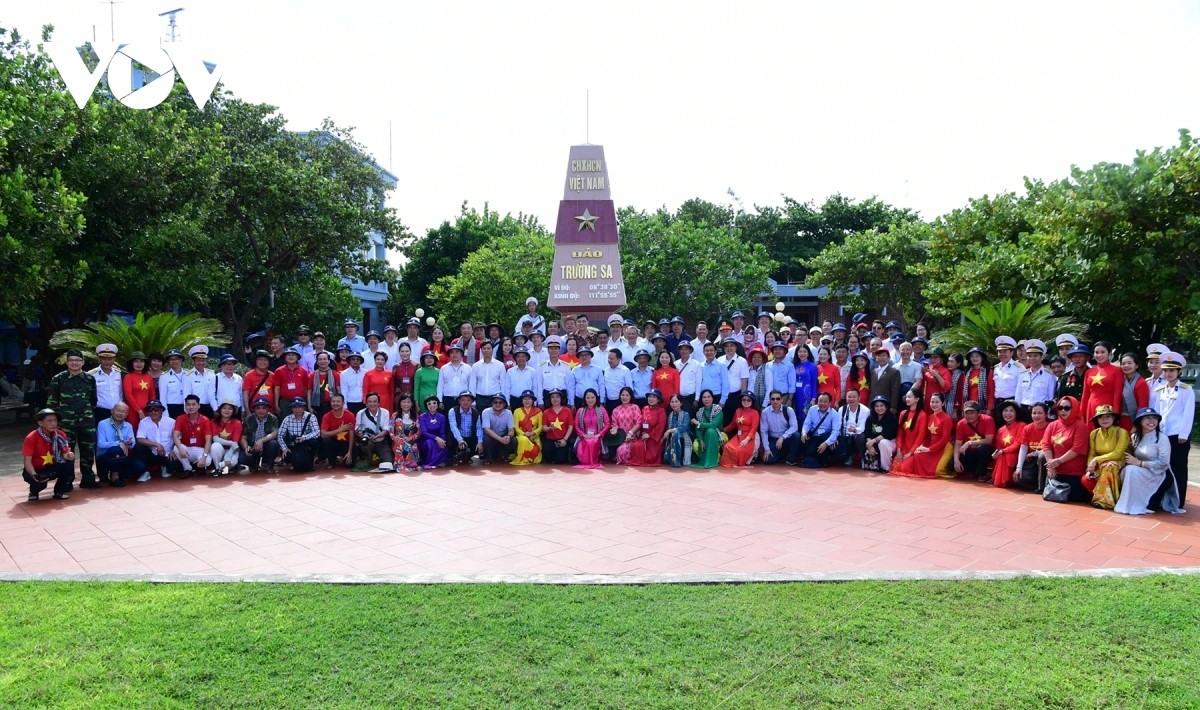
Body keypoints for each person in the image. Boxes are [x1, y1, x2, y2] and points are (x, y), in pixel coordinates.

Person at [1116, 407, 1184, 515]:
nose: (1152, 421)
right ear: (1140, 421)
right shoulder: (1135, 437)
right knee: (1127, 470)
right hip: (1143, 471)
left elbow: (1164, 463)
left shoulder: (1162, 439)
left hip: (1160, 473)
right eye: (1147, 418)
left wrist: (1140, 463)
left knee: (1131, 470)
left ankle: (1141, 502)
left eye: (1154, 418)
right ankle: (1128, 501)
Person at [47, 348, 99, 488]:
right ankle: (67, 480)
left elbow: (93, 401)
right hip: (66, 423)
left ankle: (88, 479)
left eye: (77, 360)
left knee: (88, 451)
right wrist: (53, 422)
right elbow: (52, 402)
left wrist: (85, 412)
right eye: (71, 360)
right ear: (67, 362)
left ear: (83, 362)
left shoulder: (89, 379)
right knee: (66, 451)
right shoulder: (58, 379)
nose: (74, 363)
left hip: (86, 421)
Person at [1151, 351, 1194, 509]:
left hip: (1178, 436)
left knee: (1179, 469)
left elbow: (1188, 413)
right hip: (1163, 435)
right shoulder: (1160, 390)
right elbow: (1156, 413)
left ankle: (1178, 502)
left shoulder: (1185, 390)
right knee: (1162, 468)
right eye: (1166, 370)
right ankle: (1161, 500)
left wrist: (1184, 434)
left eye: (1172, 370)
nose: (1168, 374)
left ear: (1179, 371)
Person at [1042, 396, 1091, 502]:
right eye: (1060, 408)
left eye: (1067, 408)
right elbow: (1046, 445)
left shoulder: (1081, 426)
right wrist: (1051, 466)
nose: (1063, 410)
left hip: (1073, 473)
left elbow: (1077, 448)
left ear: (1074, 408)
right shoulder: (1052, 425)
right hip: (1055, 471)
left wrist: (1059, 461)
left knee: (1072, 497)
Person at [22, 408, 76, 501]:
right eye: (49, 421)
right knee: (40, 483)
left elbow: (65, 454)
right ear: (40, 423)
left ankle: (59, 491)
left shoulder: (60, 435)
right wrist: (34, 475)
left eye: (55, 420)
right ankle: (33, 491)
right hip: (36, 469)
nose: (53, 423)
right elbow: (27, 461)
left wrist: (69, 456)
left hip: (52, 466)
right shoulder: (31, 437)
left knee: (67, 465)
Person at [1084, 403, 1129, 509]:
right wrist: (1090, 468)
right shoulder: (1094, 434)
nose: (1104, 419)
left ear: (1113, 418)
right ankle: (1103, 498)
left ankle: (1105, 502)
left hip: (1118, 464)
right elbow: (1091, 453)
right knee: (1085, 479)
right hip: (1100, 465)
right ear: (1097, 420)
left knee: (1109, 467)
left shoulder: (1122, 432)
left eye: (1108, 416)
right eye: (1101, 417)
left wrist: (1097, 459)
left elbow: (1117, 453)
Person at [95, 402, 145, 487]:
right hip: (105, 456)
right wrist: (119, 443)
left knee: (140, 467)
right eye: (118, 410)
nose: (120, 413)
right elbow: (101, 444)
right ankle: (114, 477)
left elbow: (132, 444)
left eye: (123, 411)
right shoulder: (103, 424)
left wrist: (128, 443)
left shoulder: (128, 426)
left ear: (126, 414)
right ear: (112, 411)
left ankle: (121, 474)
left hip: (121, 456)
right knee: (115, 449)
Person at [1080, 340, 1122, 430]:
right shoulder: (1089, 371)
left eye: (1103, 352)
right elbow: (1085, 395)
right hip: (1091, 408)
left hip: (1108, 408)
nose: (1099, 355)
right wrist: (1081, 414)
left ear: (1109, 353)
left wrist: (1116, 413)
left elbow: (1117, 394)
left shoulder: (1117, 370)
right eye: (1096, 352)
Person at [135, 400, 181, 478]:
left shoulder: (171, 422)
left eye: (156, 410)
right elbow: (140, 439)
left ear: (161, 411)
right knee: (139, 447)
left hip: (168, 454)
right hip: (152, 454)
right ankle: (145, 472)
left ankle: (165, 466)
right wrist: (157, 445)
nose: (153, 412)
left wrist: (174, 449)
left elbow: (179, 438)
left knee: (177, 466)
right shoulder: (143, 422)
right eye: (150, 410)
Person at [953, 399, 996, 481]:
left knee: (982, 449)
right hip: (970, 452)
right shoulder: (961, 424)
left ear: (979, 413)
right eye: (967, 413)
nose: (969, 416)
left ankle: (982, 474)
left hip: (987, 451)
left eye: (972, 413)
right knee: (951, 464)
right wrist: (956, 460)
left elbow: (988, 440)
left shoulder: (988, 420)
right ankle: (972, 471)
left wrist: (969, 443)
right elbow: (958, 443)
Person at [889, 390, 929, 477]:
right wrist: (899, 451)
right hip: (903, 448)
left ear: (917, 399)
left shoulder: (922, 415)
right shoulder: (903, 414)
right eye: (906, 397)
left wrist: (910, 453)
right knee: (896, 466)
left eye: (909, 397)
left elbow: (920, 436)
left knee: (905, 468)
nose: (907, 399)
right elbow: (900, 434)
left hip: (914, 449)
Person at [798, 392, 842, 468]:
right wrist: (804, 432)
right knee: (809, 456)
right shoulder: (812, 409)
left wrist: (826, 443)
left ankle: (827, 458)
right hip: (815, 437)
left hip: (826, 438)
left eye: (825, 402)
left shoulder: (834, 414)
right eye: (820, 401)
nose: (822, 404)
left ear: (830, 403)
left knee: (828, 438)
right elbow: (807, 424)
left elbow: (835, 431)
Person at [173, 395, 213, 477]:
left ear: (199, 406)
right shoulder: (180, 418)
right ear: (185, 406)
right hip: (187, 449)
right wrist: (180, 449)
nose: (191, 407)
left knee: (207, 461)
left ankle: (200, 467)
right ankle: (187, 469)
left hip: (201, 449)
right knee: (176, 448)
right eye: (188, 404)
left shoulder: (205, 420)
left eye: (193, 404)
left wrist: (204, 456)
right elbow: (175, 435)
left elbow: (208, 440)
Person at [1015, 402, 1051, 491]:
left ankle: (1042, 487)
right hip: (1032, 461)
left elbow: (1052, 449)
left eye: (1040, 413)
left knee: (1042, 456)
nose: (1036, 416)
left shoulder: (1051, 427)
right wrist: (1019, 468)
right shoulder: (1027, 428)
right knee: (1020, 477)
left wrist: (1035, 453)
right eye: (1034, 413)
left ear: (1046, 414)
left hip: (1046, 460)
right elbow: (1023, 448)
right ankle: (1040, 485)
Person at [989, 401, 1026, 488]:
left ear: (1016, 413)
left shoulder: (1021, 425)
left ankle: (1003, 479)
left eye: (1011, 411)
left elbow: (1017, 445)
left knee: (1004, 455)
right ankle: (999, 478)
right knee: (1000, 456)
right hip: (1003, 455)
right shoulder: (1000, 430)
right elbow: (998, 448)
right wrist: (997, 453)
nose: (1008, 413)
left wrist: (1003, 451)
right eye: (1005, 410)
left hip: (1018, 456)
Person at [354, 392, 394, 472]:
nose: (372, 404)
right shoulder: (361, 413)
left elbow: (386, 429)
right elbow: (357, 429)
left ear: (378, 403)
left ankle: (379, 457)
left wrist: (377, 436)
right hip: (367, 441)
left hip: (381, 441)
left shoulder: (385, 412)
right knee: (365, 444)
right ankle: (367, 459)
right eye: (370, 402)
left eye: (375, 401)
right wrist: (364, 436)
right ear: (366, 403)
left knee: (388, 461)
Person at [239, 398, 281, 473]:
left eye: (264, 408)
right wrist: (246, 447)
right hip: (252, 446)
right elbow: (243, 437)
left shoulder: (273, 418)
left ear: (268, 409)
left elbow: (275, 433)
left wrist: (261, 441)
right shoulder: (248, 419)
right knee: (241, 458)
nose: (261, 410)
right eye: (258, 408)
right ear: (254, 409)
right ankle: (253, 464)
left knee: (273, 444)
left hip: (266, 445)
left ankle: (268, 464)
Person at [719, 392, 761, 468]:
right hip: (739, 436)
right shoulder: (738, 410)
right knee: (727, 447)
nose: (746, 402)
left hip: (750, 437)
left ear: (752, 402)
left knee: (740, 451)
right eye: (744, 400)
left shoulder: (755, 413)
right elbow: (733, 424)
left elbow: (754, 428)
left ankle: (740, 463)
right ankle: (731, 463)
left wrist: (746, 440)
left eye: (748, 400)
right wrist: (723, 430)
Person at [759, 390, 799, 465]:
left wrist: (782, 437)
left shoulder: (789, 410)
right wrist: (767, 449)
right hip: (773, 439)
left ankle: (790, 459)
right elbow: (764, 432)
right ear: (769, 400)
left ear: (782, 400)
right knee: (768, 460)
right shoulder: (765, 412)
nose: (775, 401)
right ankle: (781, 455)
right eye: (773, 399)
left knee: (796, 435)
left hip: (786, 439)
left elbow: (794, 427)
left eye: (778, 398)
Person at [573, 389, 608, 469]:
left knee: (593, 442)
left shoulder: (601, 409)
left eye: (592, 397)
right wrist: (583, 435)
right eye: (588, 398)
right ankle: (585, 461)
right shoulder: (580, 410)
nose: (590, 400)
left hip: (597, 436)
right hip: (584, 436)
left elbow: (607, 424)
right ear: (585, 399)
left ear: (596, 398)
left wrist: (599, 434)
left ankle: (593, 460)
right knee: (587, 442)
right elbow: (576, 426)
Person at [689, 389, 724, 469]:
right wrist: (700, 440)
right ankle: (705, 460)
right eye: (704, 397)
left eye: (708, 397)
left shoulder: (718, 409)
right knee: (695, 445)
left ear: (712, 398)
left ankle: (714, 459)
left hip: (718, 435)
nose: (706, 399)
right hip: (703, 435)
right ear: (701, 399)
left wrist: (699, 423)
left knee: (710, 431)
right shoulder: (700, 412)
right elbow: (698, 428)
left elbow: (713, 425)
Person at [320, 393, 356, 469]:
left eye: (338, 401)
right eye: (333, 401)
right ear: (330, 402)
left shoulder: (350, 415)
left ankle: (351, 455)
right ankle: (332, 461)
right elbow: (323, 434)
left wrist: (349, 452)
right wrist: (340, 430)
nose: (335, 403)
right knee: (326, 440)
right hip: (333, 442)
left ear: (343, 403)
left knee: (350, 465)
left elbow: (351, 433)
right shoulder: (326, 416)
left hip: (346, 443)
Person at [862, 395, 897, 473]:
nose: (879, 408)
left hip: (890, 442)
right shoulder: (870, 418)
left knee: (883, 443)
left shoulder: (891, 418)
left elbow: (887, 434)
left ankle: (886, 468)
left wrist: (872, 441)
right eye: (877, 406)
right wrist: (870, 446)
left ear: (886, 406)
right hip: (874, 443)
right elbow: (867, 433)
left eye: (882, 406)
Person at [991, 336, 1022, 421]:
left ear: (1011, 353)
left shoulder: (1018, 367)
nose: (1002, 354)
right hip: (998, 403)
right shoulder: (996, 368)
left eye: (1005, 351)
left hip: (1012, 403)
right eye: (1000, 351)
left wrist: (1018, 404)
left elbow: (1022, 388)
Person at [90, 342, 123, 423]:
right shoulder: (92, 375)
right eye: (104, 359)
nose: (107, 362)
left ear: (114, 359)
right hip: (100, 412)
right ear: (99, 359)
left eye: (110, 359)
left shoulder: (119, 373)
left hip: (118, 411)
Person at [208, 401, 244, 476]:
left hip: (232, 450)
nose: (226, 410)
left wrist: (228, 457)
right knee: (215, 446)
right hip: (220, 449)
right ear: (220, 410)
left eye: (230, 409)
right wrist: (230, 443)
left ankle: (231, 467)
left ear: (233, 411)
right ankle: (218, 469)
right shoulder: (214, 422)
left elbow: (235, 444)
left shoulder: (237, 423)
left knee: (232, 462)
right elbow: (215, 439)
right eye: (224, 408)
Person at [1117, 352, 1150, 432]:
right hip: (1120, 420)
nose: (1126, 366)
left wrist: (1136, 425)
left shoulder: (1141, 383)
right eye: (1123, 364)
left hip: (1133, 420)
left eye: (1129, 363)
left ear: (1136, 365)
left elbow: (1143, 406)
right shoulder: (1120, 380)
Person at [837, 388, 869, 467]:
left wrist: (855, 430)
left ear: (859, 398)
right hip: (845, 436)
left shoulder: (865, 410)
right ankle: (848, 456)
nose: (851, 399)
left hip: (857, 436)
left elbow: (863, 428)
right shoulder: (842, 409)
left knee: (861, 436)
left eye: (854, 397)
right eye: (849, 397)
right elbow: (838, 425)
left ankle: (862, 457)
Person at [122, 351, 155, 429]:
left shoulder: (148, 376)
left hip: (147, 410)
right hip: (133, 411)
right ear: (131, 363)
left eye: (141, 361)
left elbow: (152, 394)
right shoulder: (128, 377)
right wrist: (139, 411)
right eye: (136, 361)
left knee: (148, 431)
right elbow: (128, 395)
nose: (139, 364)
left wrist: (151, 408)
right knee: (134, 430)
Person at [446, 391, 481, 465]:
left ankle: (467, 456)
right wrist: (460, 440)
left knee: (479, 444)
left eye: (468, 400)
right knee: (450, 436)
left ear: (472, 401)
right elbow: (453, 426)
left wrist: (480, 442)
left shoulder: (476, 412)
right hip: (457, 437)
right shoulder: (453, 411)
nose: (466, 402)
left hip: (470, 437)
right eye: (463, 400)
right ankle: (454, 456)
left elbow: (479, 428)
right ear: (459, 401)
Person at [610, 387, 643, 464]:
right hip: (620, 438)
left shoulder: (635, 407)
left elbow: (638, 423)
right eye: (623, 395)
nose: (624, 397)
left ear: (631, 396)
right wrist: (614, 430)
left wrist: (631, 433)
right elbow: (614, 424)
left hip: (632, 437)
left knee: (622, 451)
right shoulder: (616, 410)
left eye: (627, 395)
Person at [389, 394, 421, 472]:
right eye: (404, 402)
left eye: (408, 402)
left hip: (411, 441)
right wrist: (394, 437)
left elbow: (419, 431)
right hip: (398, 441)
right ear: (400, 403)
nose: (406, 404)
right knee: (400, 443)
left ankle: (411, 464)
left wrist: (411, 438)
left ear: (412, 404)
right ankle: (400, 465)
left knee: (412, 447)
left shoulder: (416, 416)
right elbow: (390, 430)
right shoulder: (395, 415)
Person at [541, 389, 574, 465]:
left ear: (561, 398)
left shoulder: (568, 411)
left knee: (560, 460)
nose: (555, 399)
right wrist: (549, 428)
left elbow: (570, 426)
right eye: (552, 397)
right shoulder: (546, 412)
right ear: (550, 399)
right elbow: (544, 428)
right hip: (550, 439)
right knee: (549, 457)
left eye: (557, 397)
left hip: (562, 439)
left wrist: (565, 439)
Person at [273, 347, 310, 413]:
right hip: (285, 401)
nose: (291, 357)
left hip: (301, 401)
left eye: (293, 355)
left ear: (297, 357)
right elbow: (277, 388)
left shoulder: (303, 371)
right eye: (288, 355)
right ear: (285, 357)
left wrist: (307, 403)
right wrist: (276, 404)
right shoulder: (279, 371)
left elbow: (306, 388)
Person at [438, 344, 474, 413]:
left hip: (464, 399)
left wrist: (472, 401)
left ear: (461, 354)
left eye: (457, 352)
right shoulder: (444, 368)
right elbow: (440, 385)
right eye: (452, 352)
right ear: (449, 355)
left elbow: (471, 385)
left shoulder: (468, 368)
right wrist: (440, 400)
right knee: (448, 419)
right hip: (447, 400)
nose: (454, 354)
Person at [511, 390, 543, 465]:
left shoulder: (538, 411)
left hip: (534, 436)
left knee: (536, 459)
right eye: (525, 399)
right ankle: (522, 457)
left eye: (529, 399)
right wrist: (524, 434)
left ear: (533, 400)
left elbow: (541, 427)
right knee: (523, 439)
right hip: (521, 435)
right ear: (522, 400)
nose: (527, 401)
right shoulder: (517, 411)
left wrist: (533, 433)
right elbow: (515, 427)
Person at [183, 346, 217, 418]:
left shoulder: (211, 374)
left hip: (210, 408)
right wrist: (187, 412)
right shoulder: (188, 375)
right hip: (195, 409)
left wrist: (215, 409)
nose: (201, 363)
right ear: (193, 361)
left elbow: (213, 394)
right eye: (198, 360)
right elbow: (186, 395)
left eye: (203, 360)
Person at [869, 345, 902, 415]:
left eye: (884, 355)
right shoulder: (874, 371)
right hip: (873, 405)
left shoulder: (894, 372)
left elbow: (895, 391)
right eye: (879, 356)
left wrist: (893, 406)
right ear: (876, 358)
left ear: (888, 358)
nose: (881, 358)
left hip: (886, 405)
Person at [308, 352, 341, 421]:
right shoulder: (312, 375)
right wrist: (309, 406)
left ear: (329, 361)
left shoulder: (335, 374)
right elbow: (309, 391)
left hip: (332, 405)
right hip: (317, 406)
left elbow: (338, 390)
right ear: (317, 362)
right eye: (320, 359)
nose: (322, 361)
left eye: (325, 359)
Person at [663, 394, 694, 468]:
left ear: (681, 403)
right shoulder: (670, 415)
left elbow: (683, 428)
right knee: (674, 434)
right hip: (672, 437)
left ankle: (676, 461)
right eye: (672, 402)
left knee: (676, 433)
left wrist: (670, 430)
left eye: (676, 401)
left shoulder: (686, 414)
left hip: (684, 436)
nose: (674, 404)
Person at [242, 350, 275, 414]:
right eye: (260, 359)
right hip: (254, 411)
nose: (262, 362)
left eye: (265, 360)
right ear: (256, 361)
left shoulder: (272, 375)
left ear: (269, 362)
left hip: (270, 411)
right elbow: (245, 394)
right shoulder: (249, 375)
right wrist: (247, 410)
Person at [361, 351, 394, 416]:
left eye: (382, 360)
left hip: (386, 401)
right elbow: (365, 389)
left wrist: (392, 404)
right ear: (374, 360)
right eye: (378, 359)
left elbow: (392, 391)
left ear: (385, 362)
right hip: (372, 402)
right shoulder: (368, 374)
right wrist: (366, 402)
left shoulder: (390, 374)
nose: (380, 361)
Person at [920, 347, 951, 414]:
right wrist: (922, 372)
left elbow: (947, 388)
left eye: (936, 357)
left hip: (937, 402)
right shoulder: (929, 368)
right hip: (926, 401)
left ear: (941, 358)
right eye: (931, 357)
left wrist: (937, 375)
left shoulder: (945, 371)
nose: (933, 359)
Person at [674, 341, 702, 413]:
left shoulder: (696, 364)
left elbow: (698, 382)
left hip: (691, 398)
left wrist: (696, 399)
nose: (684, 351)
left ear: (690, 351)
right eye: (682, 349)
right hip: (678, 398)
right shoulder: (675, 364)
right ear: (679, 351)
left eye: (686, 349)